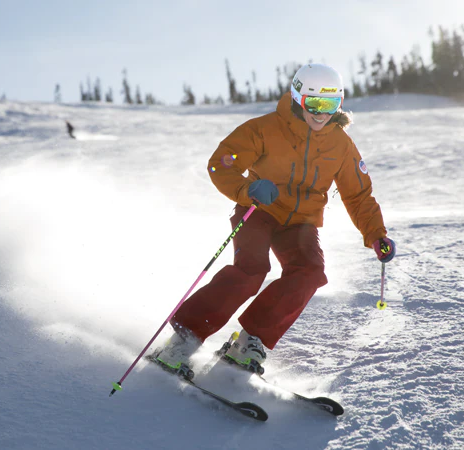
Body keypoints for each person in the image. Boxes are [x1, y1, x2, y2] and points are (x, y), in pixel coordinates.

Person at [154, 63, 396, 377]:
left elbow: (358, 195)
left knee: (310, 273)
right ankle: (184, 337)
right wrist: (247, 189)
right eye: (314, 104)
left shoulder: (341, 145)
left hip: (301, 222)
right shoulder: (266, 128)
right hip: (259, 210)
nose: (321, 114)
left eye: (331, 105)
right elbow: (220, 164)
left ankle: (250, 339)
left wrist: (376, 234)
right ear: (298, 97)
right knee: (252, 270)